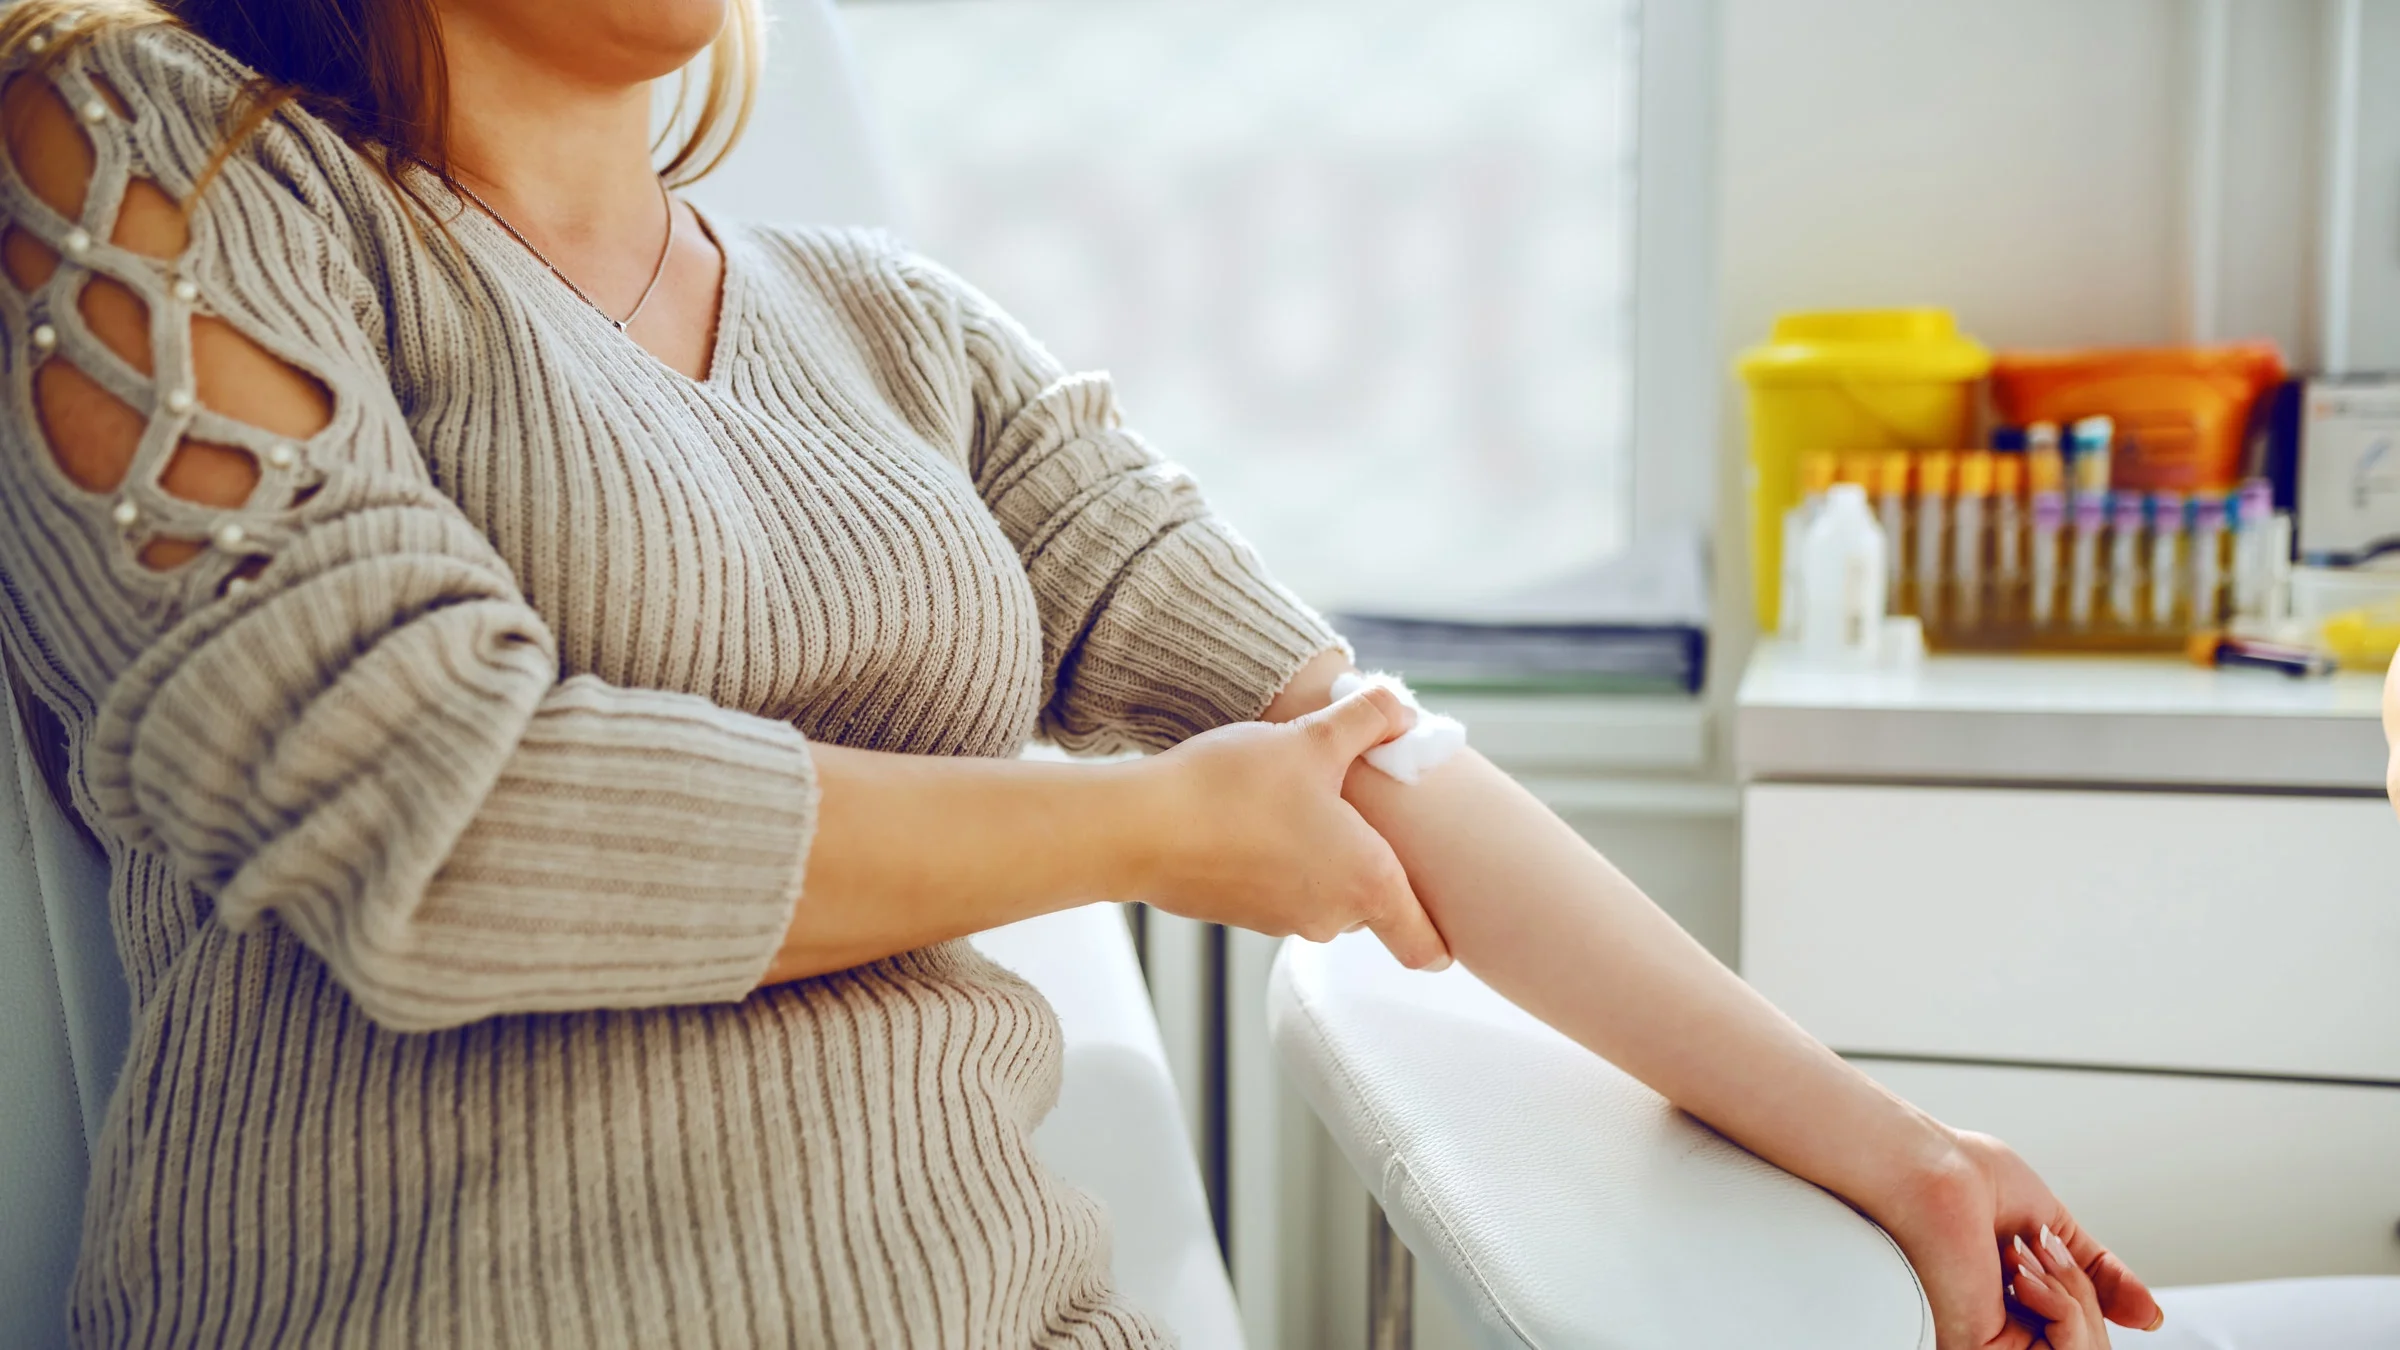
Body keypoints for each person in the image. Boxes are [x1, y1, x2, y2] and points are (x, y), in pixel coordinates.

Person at [0, 1, 2159, 1346]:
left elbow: (1368, 760)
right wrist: (1140, 831)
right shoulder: (137, 154)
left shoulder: (898, 329)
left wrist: (1898, 1153)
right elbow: (434, 825)